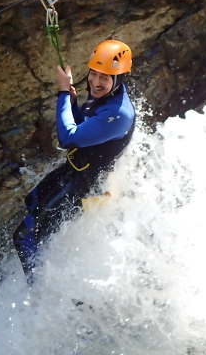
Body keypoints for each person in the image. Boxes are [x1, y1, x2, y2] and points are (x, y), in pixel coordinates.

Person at [13, 39, 136, 285]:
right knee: (33, 203)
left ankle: (37, 293)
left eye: (105, 78)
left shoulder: (117, 113)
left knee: (24, 235)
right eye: (94, 74)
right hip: (74, 173)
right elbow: (84, 127)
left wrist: (61, 93)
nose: (96, 82)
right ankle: (42, 265)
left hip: (84, 186)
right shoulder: (104, 98)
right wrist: (71, 101)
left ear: (119, 79)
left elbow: (69, 137)